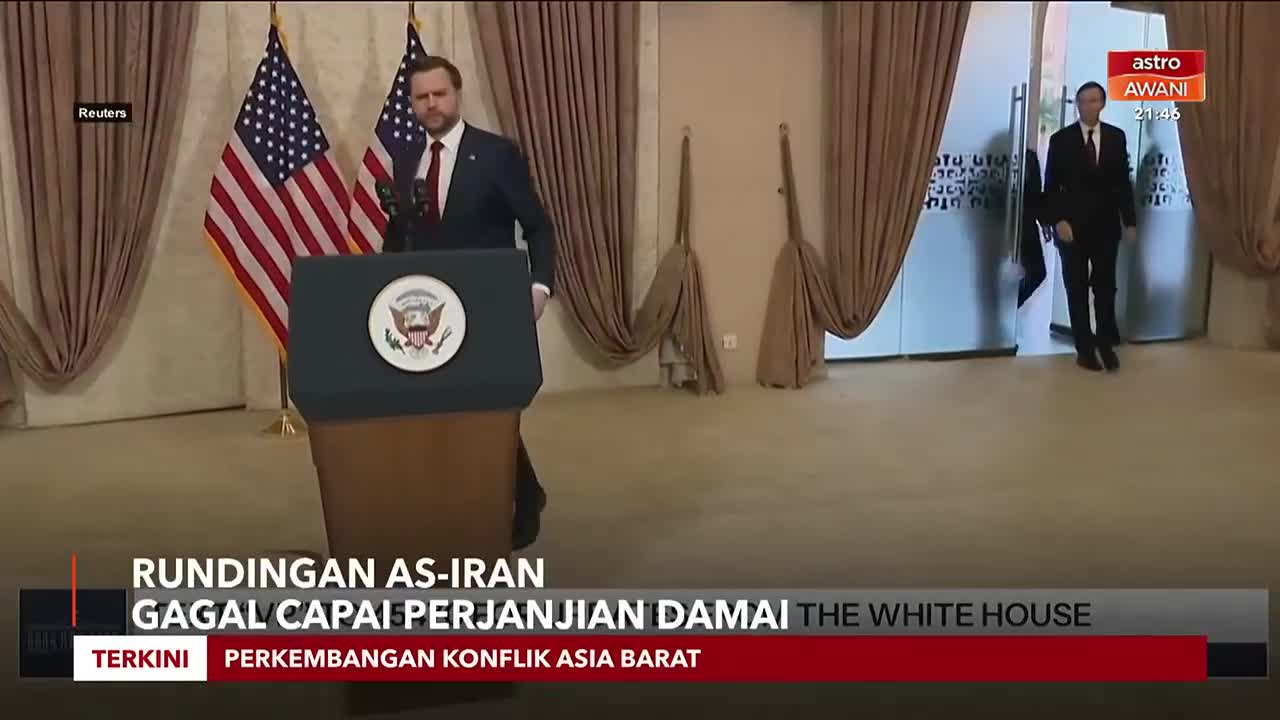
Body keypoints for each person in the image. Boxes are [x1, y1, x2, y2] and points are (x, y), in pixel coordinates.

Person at [381, 55, 555, 550]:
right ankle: (507, 492)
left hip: (487, 301)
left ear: (456, 95)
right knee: (448, 408)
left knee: (491, 406)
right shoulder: (404, 157)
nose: (431, 104)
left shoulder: (496, 154)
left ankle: (524, 500)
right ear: (412, 104)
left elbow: (538, 226)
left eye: (439, 94)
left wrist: (539, 287)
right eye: (421, 97)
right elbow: (400, 234)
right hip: (426, 310)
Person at [1043, 81, 1137, 372]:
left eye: (1093, 100)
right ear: (1077, 105)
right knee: (1076, 288)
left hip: (1106, 227)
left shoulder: (1116, 138)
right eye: (1082, 101)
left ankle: (1106, 344)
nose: (1087, 106)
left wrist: (1129, 221)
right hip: (1071, 227)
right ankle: (1084, 349)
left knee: (1106, 287)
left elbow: (1122, 184)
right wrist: (1057, 220)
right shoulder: (1061, 140)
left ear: (1102, 104)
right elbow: (1051, 187)